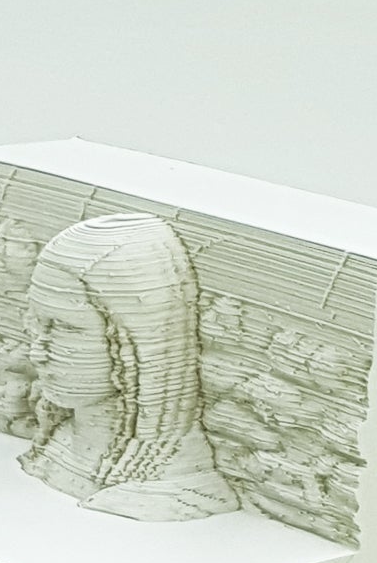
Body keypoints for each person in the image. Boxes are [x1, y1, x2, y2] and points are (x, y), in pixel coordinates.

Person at [20, 211, 240, 522]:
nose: (37, 352)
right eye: (37, 324)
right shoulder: (54, 445)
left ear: (137, 339)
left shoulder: (182, 489)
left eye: (66, 328)